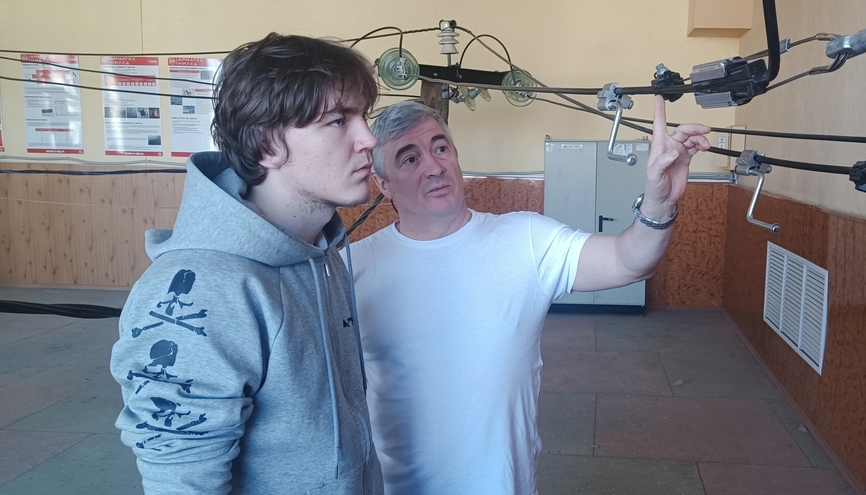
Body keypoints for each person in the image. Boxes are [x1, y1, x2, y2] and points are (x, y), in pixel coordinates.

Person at [346, 97, 709, 494]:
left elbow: (628, 261)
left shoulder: (526, 240)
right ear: (383, 183)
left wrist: (658, 203)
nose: (434, 166)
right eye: (410, 158)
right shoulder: (351, 268)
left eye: (441, 147)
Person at [110, 33, 383, 494]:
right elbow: (181, 478)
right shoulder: (207, 285)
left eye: (363, 116)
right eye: (338, 120)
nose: (369, 139)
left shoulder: (319, 251)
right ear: (266, 144)